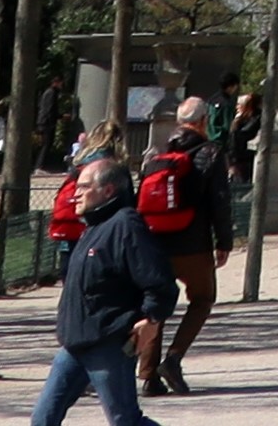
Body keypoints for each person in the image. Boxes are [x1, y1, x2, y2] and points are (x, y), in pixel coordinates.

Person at [33, 159, 175, 426]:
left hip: (108, 341)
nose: (75, 193)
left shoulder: (126, 225)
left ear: (108, 190)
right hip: (75, 342)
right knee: (43, 419)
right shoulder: (94, 227)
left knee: (125, 421)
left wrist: (151, 318)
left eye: (84, 186)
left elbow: (159, 281)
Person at [137, 96, 225, 387]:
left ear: (178, 122)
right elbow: (219, 201)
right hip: (194, 244)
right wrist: (223, 241)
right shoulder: (211, 153)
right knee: (202, 299)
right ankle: (173, 359)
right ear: (202, 122)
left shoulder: (156, 156)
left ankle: (148, 376)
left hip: (155, 243)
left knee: (157, 305)